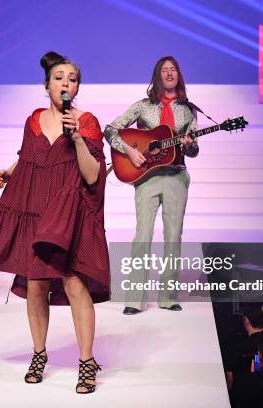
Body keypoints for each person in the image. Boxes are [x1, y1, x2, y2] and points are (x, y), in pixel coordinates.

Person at [0, 51, 110, 394]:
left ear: (78, 86)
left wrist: (75, 138)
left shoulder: (86, 121)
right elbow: (29, 158)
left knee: (74, 284)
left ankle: (87, 363)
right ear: (47, 85)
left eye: (72, 79)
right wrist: (7, 172)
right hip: (35, 207)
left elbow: (91, 175)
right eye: (59, 77)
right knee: (36, 285)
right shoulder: (33, 119)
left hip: (67, 211)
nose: (66, 83)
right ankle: (38, 354)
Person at [104, 56, 199, 314]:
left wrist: (190, 145)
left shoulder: (189, 110)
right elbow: (110, 130)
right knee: (142, 235)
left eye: (173, 69)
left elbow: (194, 151)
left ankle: (168, 296)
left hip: (176, 176)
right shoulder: (143, 106)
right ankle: (134, 299)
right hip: (146, 177)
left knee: (173, 237)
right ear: (157, 76)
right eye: (164, 70)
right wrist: (130, 152)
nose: (169, 73)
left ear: (179, 75)